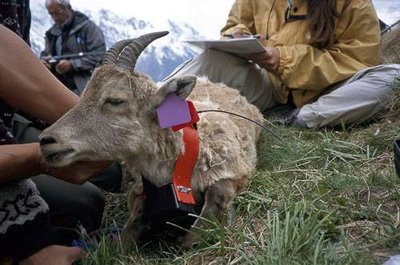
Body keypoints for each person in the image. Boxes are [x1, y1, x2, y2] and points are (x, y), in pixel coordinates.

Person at [166, 0, 400, 129]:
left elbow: (358, 59)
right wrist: (238, 37)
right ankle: (160, 121)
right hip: (270, 85)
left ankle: (302, 119)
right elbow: (235, 24)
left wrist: (284, 60)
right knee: (211, 59)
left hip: (329, 91)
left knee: (392, 79)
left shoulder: (354, 3)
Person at [0, 24, 113, 264]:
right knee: (83, 204)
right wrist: (28, 244)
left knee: (108, 172)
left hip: (9, 121)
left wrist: (97, 124)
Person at [40, 0, 106, 95]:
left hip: (85, 86)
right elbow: (46, 54)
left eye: (58, 13)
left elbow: (100, 57)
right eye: (51, 14)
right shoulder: (51, 34)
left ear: (69, 7)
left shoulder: (89, 29)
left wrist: (73, 65)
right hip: (57, 84)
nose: (55, 18)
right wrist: (45, 62)